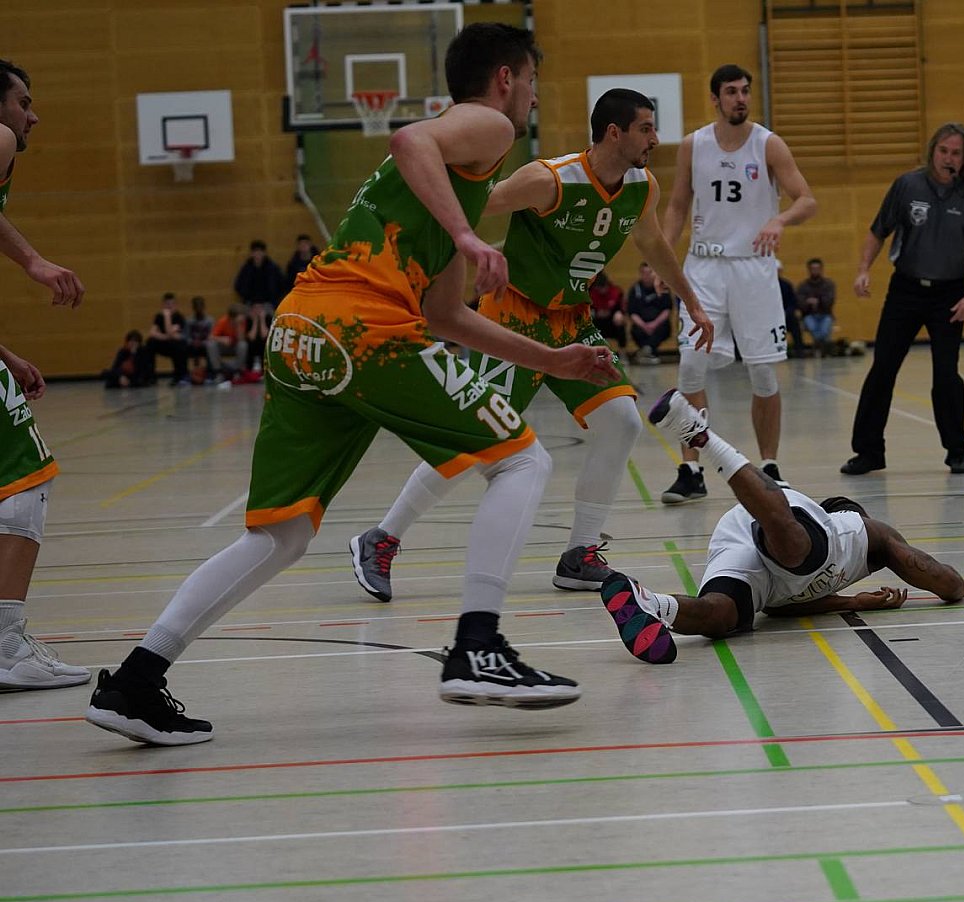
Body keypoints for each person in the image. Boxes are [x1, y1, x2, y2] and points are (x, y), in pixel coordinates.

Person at [84, 23, 620, 746]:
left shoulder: (453, 185)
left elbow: (446, 314)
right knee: (523, 460)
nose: (532, 98)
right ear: (505, 79)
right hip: (362, 327)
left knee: (279, 536)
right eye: (531, 82)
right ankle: (478, 647)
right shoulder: (487, 127)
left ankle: (135, 679)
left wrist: (552, 360)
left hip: (301, 331)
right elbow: (408, 137)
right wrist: (469, 238)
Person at [349, 87, 712, 604]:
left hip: (571, 320)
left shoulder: (642, 187)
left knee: (622, 421)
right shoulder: (549, 179)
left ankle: (580, 553)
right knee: (476, 438)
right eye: (646, 128)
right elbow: (468, 206)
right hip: (513, 316)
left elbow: (653, 244)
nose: (655, 138)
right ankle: (381, 537)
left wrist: (692, 303)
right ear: (615, 133)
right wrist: (467, 255)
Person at [602, 389, 964, 662]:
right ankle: (700, 436)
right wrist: (957, 586)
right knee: (798, 551)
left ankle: (649, 603)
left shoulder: (845, 564)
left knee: (720, 618)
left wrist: (853, 602)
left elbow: (780, 608)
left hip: (746, 550)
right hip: (777, 516)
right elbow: (937, 577)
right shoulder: (860, 534)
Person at [658, 63, 818, 503]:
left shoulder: (768, 144)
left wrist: (780, 220)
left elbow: (807, 199)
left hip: (754, 267)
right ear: (715, 98)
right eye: (731, 91)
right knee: (691, 365)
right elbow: (676, 206)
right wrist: (663, 258)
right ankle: (690, 469)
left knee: (762, 371)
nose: (741, 98)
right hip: (704, 267)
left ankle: (769, 466)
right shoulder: (694, 145)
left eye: (745, 90)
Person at [841, 122, 964, 478]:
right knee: (883, 368)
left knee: (946, 374)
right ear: (932, 152)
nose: (948, 158)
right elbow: (878, 231)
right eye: (943, 151)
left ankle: (957, 451)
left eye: (956, 153)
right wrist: (863, 269)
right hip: (906, 290)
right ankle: (868, 451)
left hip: (951, 295)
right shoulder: (907, 186)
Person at [0, 57, 89, 691]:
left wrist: (3, 354)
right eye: (23, 102)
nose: (32, 116)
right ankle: (5, 646)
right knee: (24, 481)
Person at [626, 261, 671, 365]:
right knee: (636, 330)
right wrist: (643, 325)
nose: (647, 276)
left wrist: (654, 324)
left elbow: (667, 309)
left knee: (663, 329)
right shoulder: (635, 289)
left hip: (658, 323)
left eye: (649, 272)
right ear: (640, 274)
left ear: (655, 273)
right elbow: (632, 312)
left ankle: (647, 351)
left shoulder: (662, 287)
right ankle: (649, 352)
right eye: (644, 273)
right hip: (641, 323)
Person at [795, 257, 836, 356]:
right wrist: (808, 303)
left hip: (825, 314)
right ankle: (823, 349)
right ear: (809, 270)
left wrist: (818, 301)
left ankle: (819, 349)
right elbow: (799, 302)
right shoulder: (803, 286)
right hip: (809, 314)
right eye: (813, 269)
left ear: (821, 269)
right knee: (813, 328)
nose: (815, 271)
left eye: (817, 268)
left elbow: (830, 301)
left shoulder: (828, 284)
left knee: (824, 331)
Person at [146, 291, 189, 385]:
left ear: (175, 305)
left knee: (178, 345)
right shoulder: (158, 316)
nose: (169, 306)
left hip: (176, 345)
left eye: (172, 304)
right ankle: (150, 376)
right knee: (150, 342)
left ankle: (178, 376)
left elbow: (170, 332)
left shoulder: (179, 317)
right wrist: (165, 337)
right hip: (165, 342)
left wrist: (167, 317)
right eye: (167, 304)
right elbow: (152, 333)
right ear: (163, 305)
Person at [587, 269, 628, 351]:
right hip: (597, 321)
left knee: (619, 321)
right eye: (599, 288)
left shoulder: (616, 291)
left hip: (611, 321)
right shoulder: (591, 293)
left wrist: (619, 312)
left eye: (603, 287)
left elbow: (622, 307)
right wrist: (595, 313)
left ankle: (622, 351)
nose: (602, 290)